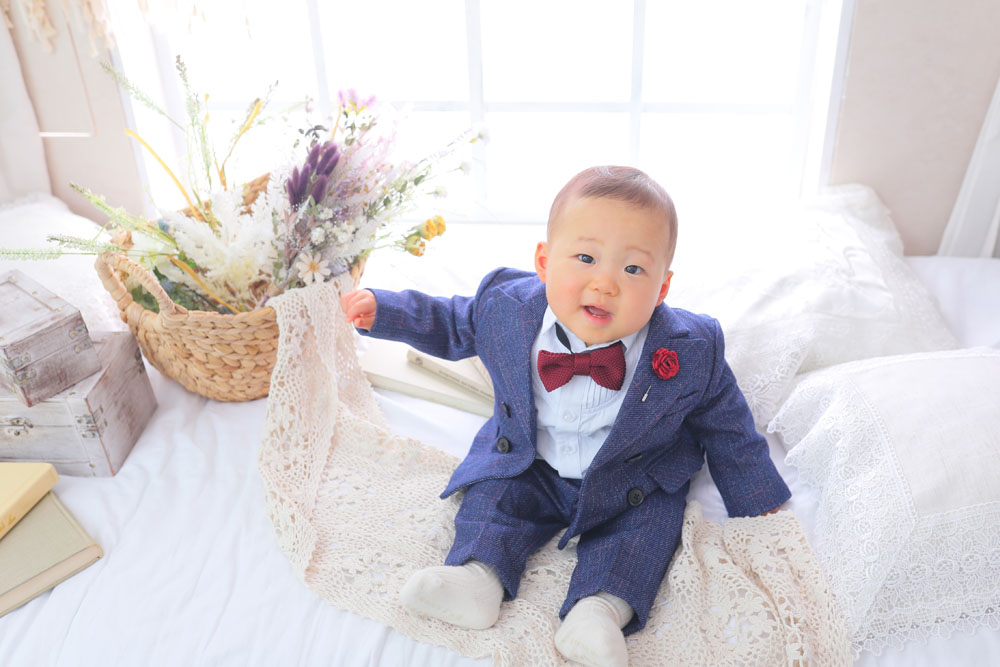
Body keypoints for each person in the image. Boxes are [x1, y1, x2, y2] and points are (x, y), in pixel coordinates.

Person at [340, 166, 790, 667]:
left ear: (662, 288)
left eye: (633, 270)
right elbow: (451, 320)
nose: (606, 283)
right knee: (494, 498)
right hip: (530, 461)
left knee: (646, 533)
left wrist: (758, 501)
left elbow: (727, 425)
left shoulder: (693, 348)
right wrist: (384, 311)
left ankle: (599, 611)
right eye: (586, 258)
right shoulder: (507, 307)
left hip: (631, 479)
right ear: (543, 262)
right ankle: (477, 577)